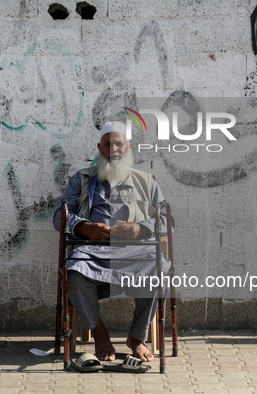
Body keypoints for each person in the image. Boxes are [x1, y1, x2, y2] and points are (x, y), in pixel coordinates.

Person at [53, 121, 173, 363]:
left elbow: (167, 219)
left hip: (133, 252)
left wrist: (141, 228)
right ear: (100, 148)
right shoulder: (82, 179)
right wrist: (84, 227)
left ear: (128, 146)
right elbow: (59, 216)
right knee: (74, 271)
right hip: (92, 250)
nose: (114, 148)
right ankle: (99, 334)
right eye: (108, 144)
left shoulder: (146, 181)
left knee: (159, 269)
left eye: (119, 143)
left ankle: (136, 338)